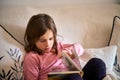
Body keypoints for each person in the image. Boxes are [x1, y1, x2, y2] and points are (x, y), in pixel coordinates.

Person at [23, 13, 106, 80]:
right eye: (42, 41)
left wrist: (69, 51)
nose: (48, 44)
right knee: (73, 77)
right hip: (63, 78)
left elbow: (80, 48)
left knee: (98, 63)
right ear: (33, 39)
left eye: (51, 39)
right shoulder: (32, 57)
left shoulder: (58, 45)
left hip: (75, 76)